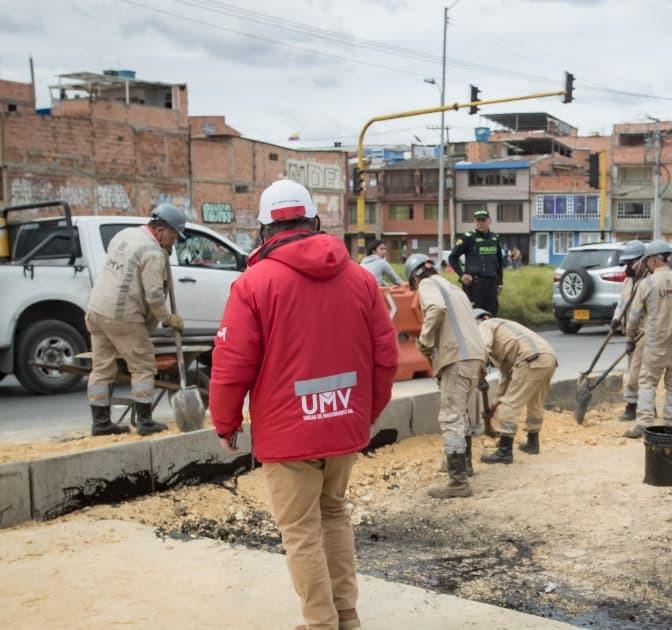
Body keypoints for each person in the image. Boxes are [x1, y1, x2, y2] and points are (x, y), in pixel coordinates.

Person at [209, 179, 399, 630]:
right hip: (344, 421)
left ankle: (320, 623)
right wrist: (369, 411)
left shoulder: (254, 284)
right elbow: (386, 355)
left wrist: (225, 421)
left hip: (288, 433)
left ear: (264, 229)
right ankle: (346, 615)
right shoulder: (360, 278)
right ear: (313, 221)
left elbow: (231, 364)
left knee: (300, 530)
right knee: (333, 513)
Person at [85, 203, 188, 437]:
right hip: (122, 315)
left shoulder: (126, 234)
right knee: (143, 365)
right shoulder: (153, 253)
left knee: (101, 367)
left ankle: (101, 423)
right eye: (173, 237)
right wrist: (167, 318)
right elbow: (154, 295)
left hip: (96, 310)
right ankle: (145, 421)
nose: (173, 243)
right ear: (161, 230)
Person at [407, 252, 487, 498]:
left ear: (415, 278)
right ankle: (465, 465)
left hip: (457, 358)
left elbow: (436, 309)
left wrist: (425, 340)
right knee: (460, 413)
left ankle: (458, 482)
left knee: (451, 417)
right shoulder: (455, 289)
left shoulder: (428, 284)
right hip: (474, 357)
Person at [622, 240, 672, 439]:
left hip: (655, 344)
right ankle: (671, 425)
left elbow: (634, 317)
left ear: (654, 261)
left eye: (648, 261)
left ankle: (643, 424)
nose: (647, 265)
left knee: (647, 383)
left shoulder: (647, 284)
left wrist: (630, 338)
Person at [474, 309, 558, 464]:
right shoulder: (506, 329)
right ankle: (533, 443)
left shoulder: (484, 325)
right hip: (548, 358)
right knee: (535, 402)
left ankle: (505, 451)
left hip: (529, 359)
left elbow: (484, 347)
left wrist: (478, 368)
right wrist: (495, 404)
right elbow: (507, 377)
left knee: (510, 405)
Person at [612, 240, 647, 421]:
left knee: (635, 373)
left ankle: (632, 406)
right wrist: (615, 319)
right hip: (630, 332)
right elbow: (622, 303)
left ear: (642, 261)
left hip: (643, 333)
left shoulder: (648, 283)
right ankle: (646, 404)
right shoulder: (628, 281)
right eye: (626, 264)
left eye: (631, 263)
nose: (628, 268)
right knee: (635, 370)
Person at [449, 208, 504, 316]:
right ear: (474, 221)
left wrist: (500, 283)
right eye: (478, 221)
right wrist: (462, 274)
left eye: (483, 220)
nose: (480, 223)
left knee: (491, 315)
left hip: (491, 284)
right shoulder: (468, 237)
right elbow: (452, 257)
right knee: (474, 316)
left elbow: (499, 261)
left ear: (489, 221)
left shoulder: (495, 238)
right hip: (474, 285)